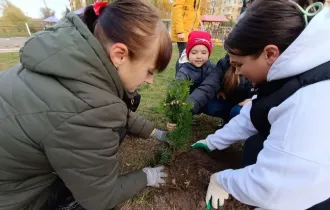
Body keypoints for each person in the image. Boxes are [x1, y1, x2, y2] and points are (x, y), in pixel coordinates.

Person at [0, 1, 172, 210]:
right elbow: (100, 198)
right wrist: (146, 176)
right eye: (149, 71)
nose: (150, 80)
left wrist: (153, 132)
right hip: (14, 199)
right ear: (119, 55)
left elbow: (115, 110)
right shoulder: (86, 111)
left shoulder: (70, 57)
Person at [192, 0, 330, 209]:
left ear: (270, 54)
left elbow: (272, 186)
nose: (237, 72)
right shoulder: (296, 69)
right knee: (255, 146)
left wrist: (223, 180)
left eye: (239, 65)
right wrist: (214, 141)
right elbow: (258, 111)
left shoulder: (307, 103)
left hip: (320, 193)